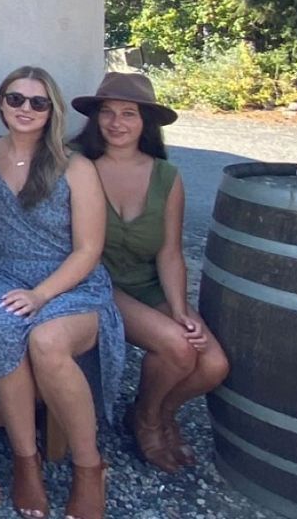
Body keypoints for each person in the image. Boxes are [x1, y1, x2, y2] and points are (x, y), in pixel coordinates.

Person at [0, 66, 124, 519]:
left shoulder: (74, 166)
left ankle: (88, 465)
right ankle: (27, 460)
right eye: (15, 99)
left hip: (70, 281)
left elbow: (88, 250)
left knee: (46, 340)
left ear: (52, 110)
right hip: (2, 274)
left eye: (37, 102)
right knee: (2, 327)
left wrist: (41, 295)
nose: (25, 108)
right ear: (2, 102)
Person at [76, 71, 227, 473]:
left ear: (146, 123)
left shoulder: (166, 176)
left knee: (212, 364)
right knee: (177, 348)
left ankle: (155, 412)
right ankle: (147, 422)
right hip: (98, 283)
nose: (116, 123)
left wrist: (180, 309)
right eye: (107, 112)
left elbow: (170, 252)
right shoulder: (77, 163)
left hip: (147, 283)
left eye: (129, 114)